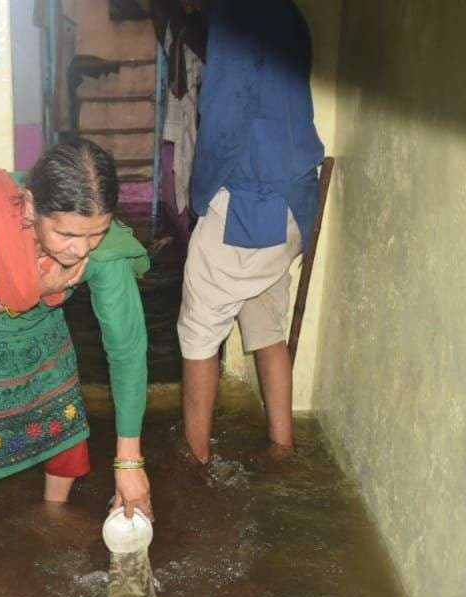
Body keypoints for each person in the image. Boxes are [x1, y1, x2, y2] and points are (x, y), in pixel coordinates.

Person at [0, 139, 153, 569]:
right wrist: (29, 293)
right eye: (67, 234)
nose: (81, 250)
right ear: (33, 206)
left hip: (33, 311)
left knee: (60, 415)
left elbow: (127, 347)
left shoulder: (99, 246)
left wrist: (130, 461)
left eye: (95, 234)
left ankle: (51, 519)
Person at [178, 0, 325, 464]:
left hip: (250, 199)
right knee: (265, 322)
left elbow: (223, 121)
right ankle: (282, 446)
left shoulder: (234, 17)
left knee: (200, 329)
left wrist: (200, 198)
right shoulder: (285, 11)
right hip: (294, 197)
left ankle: (196, 460)